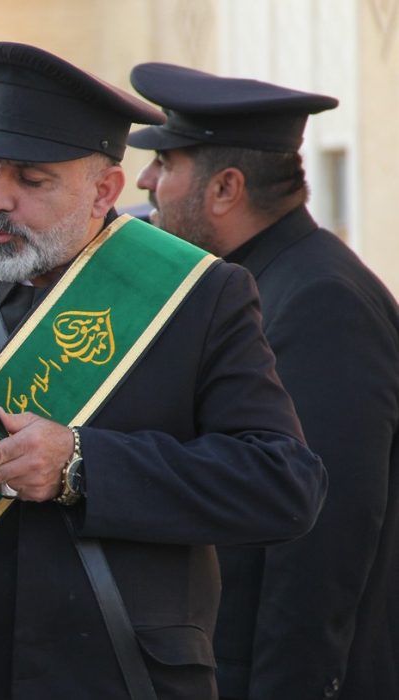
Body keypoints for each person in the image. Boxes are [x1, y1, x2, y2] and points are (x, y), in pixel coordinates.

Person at [0, 42, 327, 699]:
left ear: (104, 190)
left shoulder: (198, 297)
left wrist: (81, 464)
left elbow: (283, 484)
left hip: (121, 677)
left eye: (31, 179)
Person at [128, 63, 399, 700]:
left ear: (224, 188)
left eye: (166, 163)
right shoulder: (257, 283)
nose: (144, 180)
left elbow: (321, 542)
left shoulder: (320, 300)